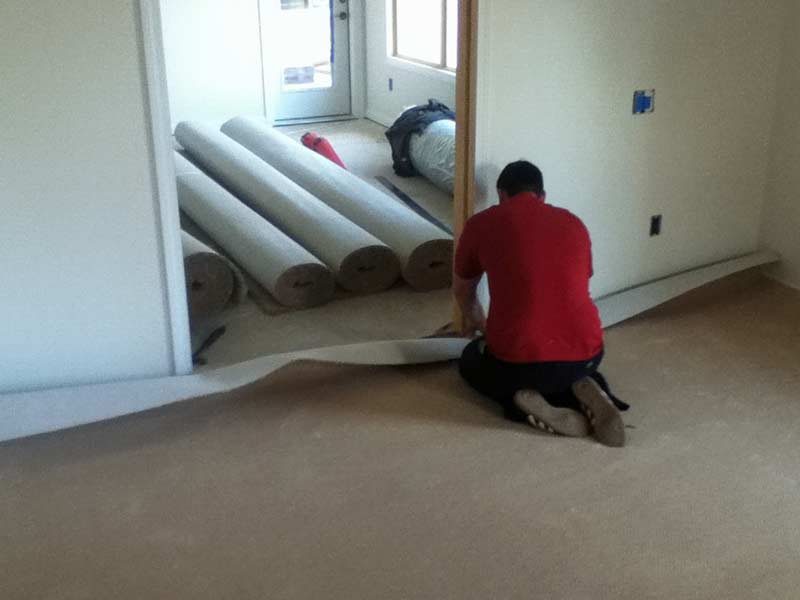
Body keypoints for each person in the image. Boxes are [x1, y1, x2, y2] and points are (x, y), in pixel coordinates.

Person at [454, 161, 629, 447]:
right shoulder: (573, 223)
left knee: (471, 359)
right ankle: (582, 385)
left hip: (519, 364)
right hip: (588, 354)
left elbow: (463, 291)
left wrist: (478, 324)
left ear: (501, 194)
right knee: (561, 368)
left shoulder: (480, 224)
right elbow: (579, 283)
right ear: (542, 195)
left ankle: (519, 400)